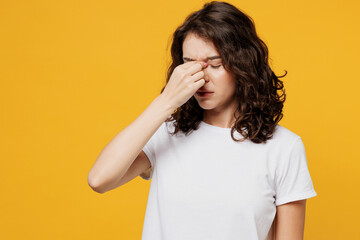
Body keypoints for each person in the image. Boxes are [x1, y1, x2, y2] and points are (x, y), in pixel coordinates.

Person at [87, 1, 317, 239]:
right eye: (188, 65)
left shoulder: (284, 148)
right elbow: (99, 179)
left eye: (215, 64)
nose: (200, 78)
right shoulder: (166, 134)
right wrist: (167, 101)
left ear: (244, 65)